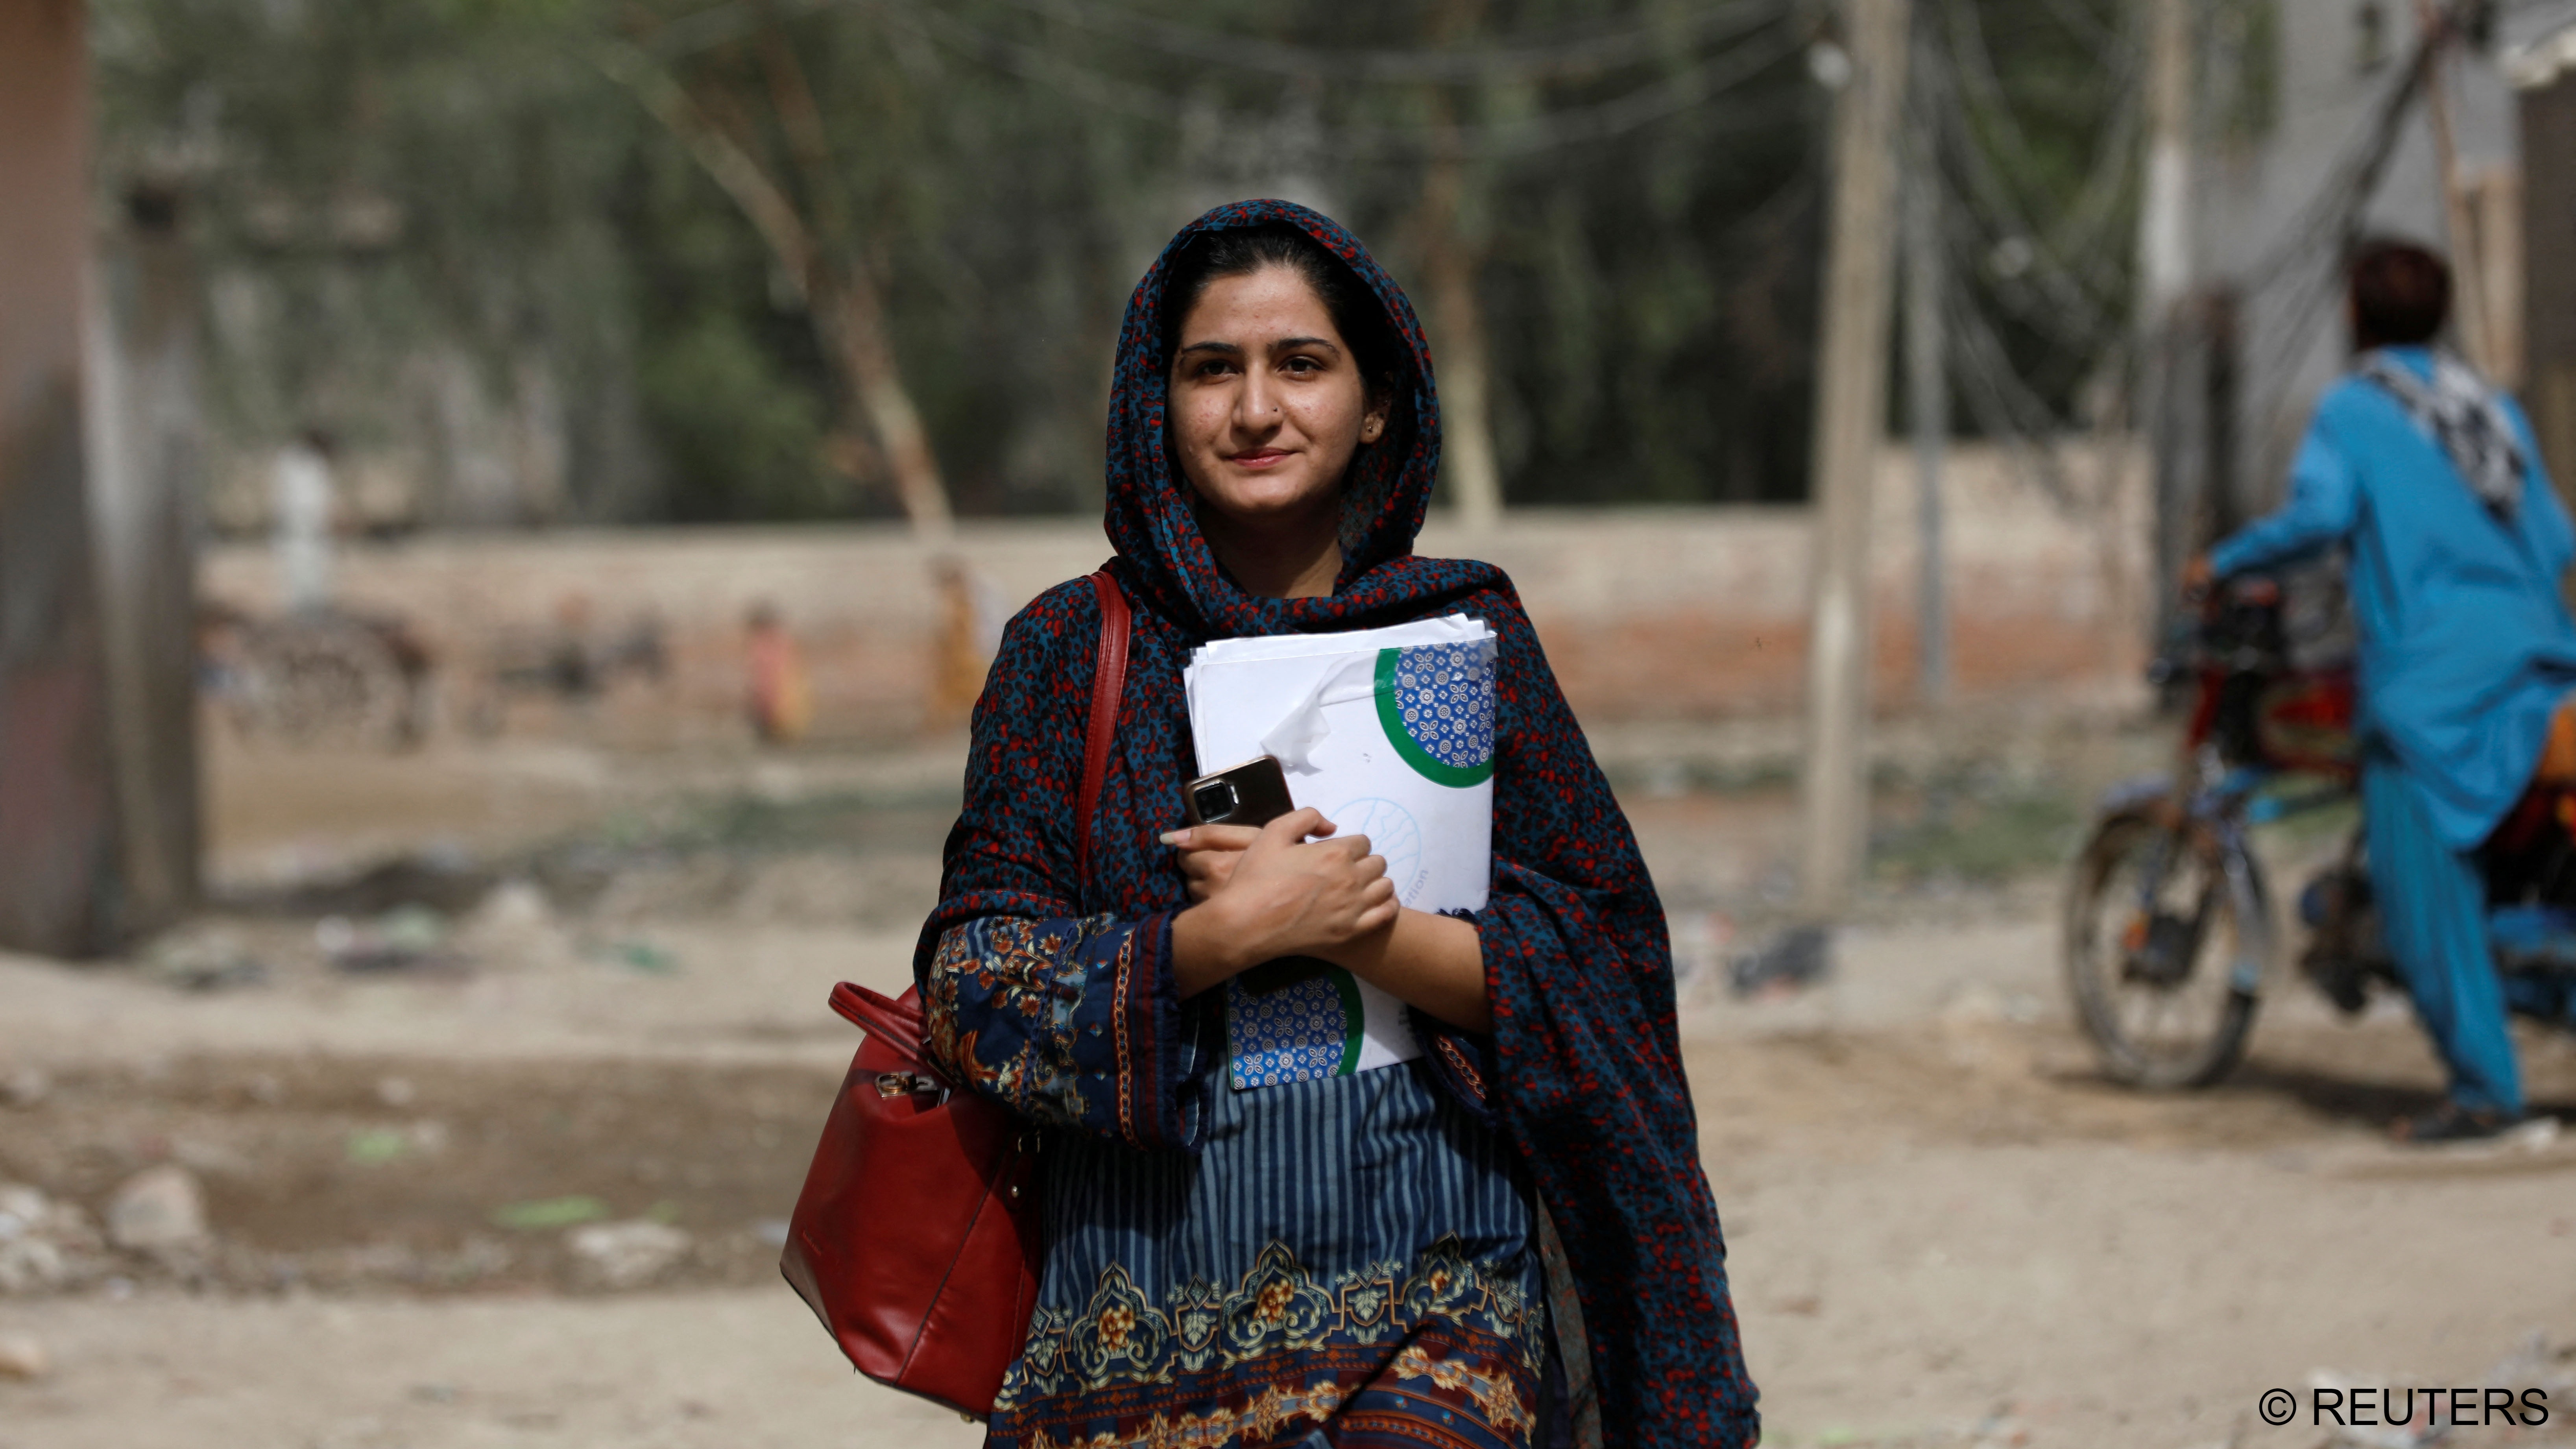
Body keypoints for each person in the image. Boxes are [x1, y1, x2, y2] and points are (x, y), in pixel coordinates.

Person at [916, 201, 1754, 1447]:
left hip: (1434, 1298)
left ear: (1376, 402)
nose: (1256, 410)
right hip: (1137, 1329)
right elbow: (967, 988)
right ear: (1161, 403)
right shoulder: (1067, 654)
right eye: (1213, 369)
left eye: (1299, 364)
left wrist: (1365, 935)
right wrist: (1215, 942)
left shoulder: (1461, 645)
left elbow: (1598, 972)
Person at [2189, 238, 2576, 1142]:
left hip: (2430, 689)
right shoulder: (2489, 406)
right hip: (2541, 659)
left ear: (2353, 316)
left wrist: (2225, 559)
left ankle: (2484, 1094)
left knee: (2424, 895)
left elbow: (2321, 518)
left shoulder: (2355, 409)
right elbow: (2555, 540)